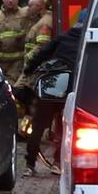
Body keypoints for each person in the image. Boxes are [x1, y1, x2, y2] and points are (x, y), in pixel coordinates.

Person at [21, 10, 86, 176]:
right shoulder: (87, 41)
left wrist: (29, 70)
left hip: (52, 86)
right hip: (72, 90)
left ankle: (30, 164)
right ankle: (57, 163)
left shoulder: (62, 37)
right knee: (65, 127)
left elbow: (41, 54)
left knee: (38, 125)